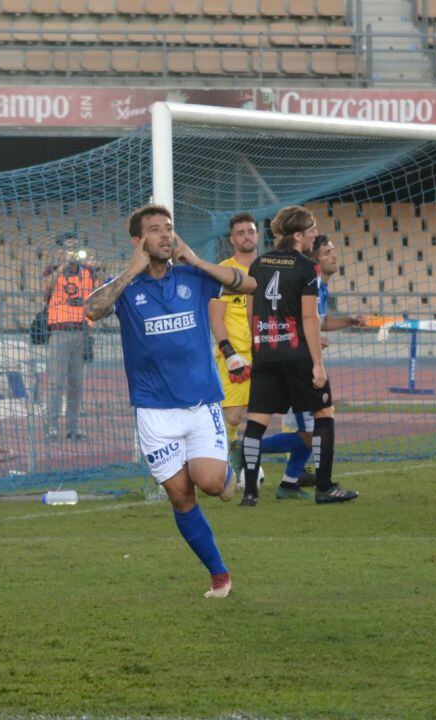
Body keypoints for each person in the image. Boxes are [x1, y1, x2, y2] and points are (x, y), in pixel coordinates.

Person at [84, 204, 257, 598]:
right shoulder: (126, 288)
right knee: (181, 495)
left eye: (169, 229)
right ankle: (219, 574)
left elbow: (246, 284)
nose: (165, 235)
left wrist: (195, 259)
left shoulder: (192, 276)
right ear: (138, 240)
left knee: (212, 484)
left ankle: (230, 474)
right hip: (154, 411)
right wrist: (130, 271)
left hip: (200, 404)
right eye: (155, 230)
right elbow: (92, 310)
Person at [241, 205, 358, 505]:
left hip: (265, 352)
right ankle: (324, 487)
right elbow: (310, 319)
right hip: (296, 353)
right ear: (297, 235)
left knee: (255, 421)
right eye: (311, 230)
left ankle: (251, 493)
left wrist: (259, 346)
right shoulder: (306, 268)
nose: (315, 235)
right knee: (324, 414)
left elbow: (251, 312)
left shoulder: (258, 264)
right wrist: (317, 363)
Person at [208, 212, 259, 481]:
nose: (246, 236)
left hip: (264, 352)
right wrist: (229, 352)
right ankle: (224, 468)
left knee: (260, 415)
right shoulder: (225, 271)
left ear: (257, 235)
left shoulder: (268, 268)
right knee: (233, 416)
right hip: (235, 355)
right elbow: (215, 317)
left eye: (250, 231)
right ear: (232, 239)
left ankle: (247, 470)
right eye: (240, 233)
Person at [42, 231, 96, 441]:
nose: (71, 251)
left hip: (82, 331)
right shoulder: (53, 270)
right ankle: (52, 427)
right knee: (56, 383)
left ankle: (72, 429)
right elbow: (45, 289)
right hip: (60, 332)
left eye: (75, 247)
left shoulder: (88, 272)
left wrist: (94, 266)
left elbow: (99, 291)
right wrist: (63, 266)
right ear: (60, 250)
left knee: (76, 384)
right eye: (67, 247)